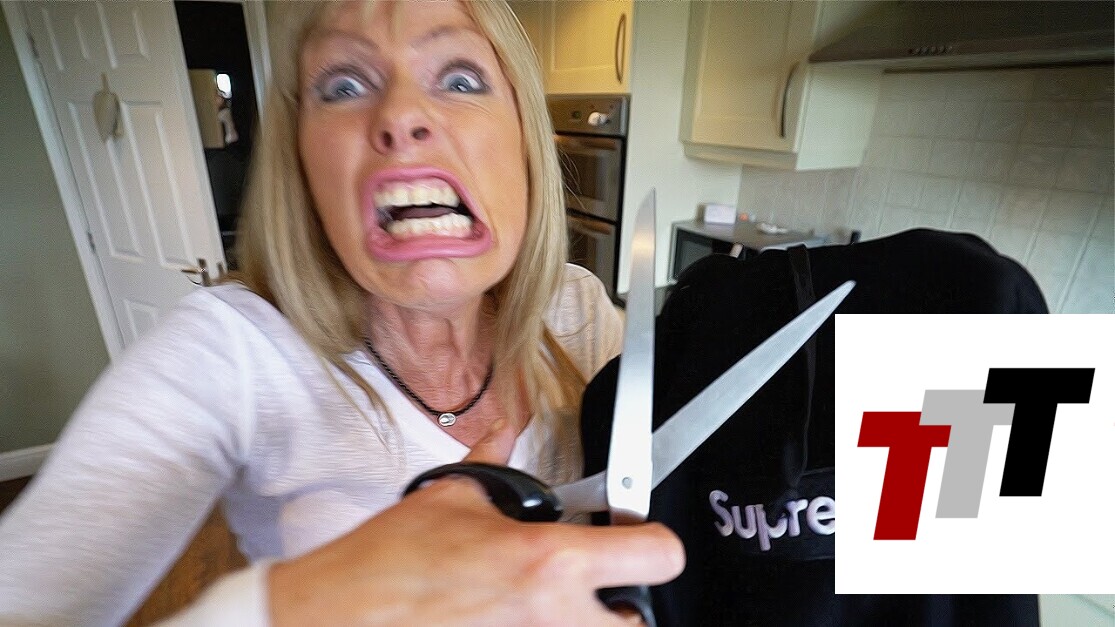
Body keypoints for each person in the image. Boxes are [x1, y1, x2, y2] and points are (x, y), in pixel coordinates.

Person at [0, 1, 681, 624]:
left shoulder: (578, 309)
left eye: (460, 79)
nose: (401, 116)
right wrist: (293, 607)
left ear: (525, 140)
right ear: (300, 163)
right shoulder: (227, 352)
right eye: (345, 86)